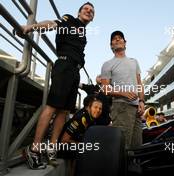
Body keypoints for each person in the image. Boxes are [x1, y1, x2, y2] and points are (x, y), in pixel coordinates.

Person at [16, 2, 95, 169]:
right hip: (64, 66)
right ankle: (34, 149)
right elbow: (52, 24)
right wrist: (31, 27)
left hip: (75, 71)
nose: (89, 12)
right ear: (79, 12)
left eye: (92, 11)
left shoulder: (83, 32)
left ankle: (51, 148)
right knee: (52, 106)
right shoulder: (69, 20)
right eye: (86, 9)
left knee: (64, 110)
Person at [101, 31, 145, 149]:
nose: (117, 40)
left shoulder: (134, 61)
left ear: (125, 43)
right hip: (121, 106)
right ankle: (119, 168)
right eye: (114, 39)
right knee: (122, 146)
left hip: (136, 108)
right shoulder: (107, 64)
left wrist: (141, 101)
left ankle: (134, 166)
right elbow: (105, 89)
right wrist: (123, 93)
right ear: (111, 45)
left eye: (120, 38)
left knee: (137, 145)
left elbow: (139, 83)